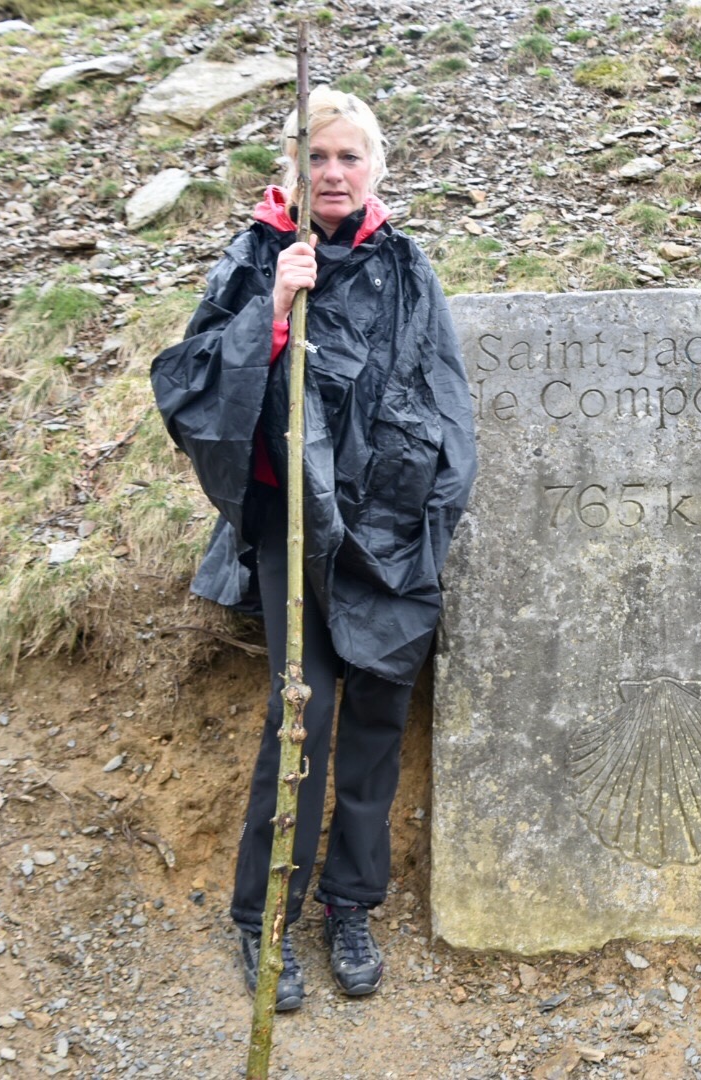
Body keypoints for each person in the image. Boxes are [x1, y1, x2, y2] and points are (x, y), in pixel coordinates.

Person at [150, 88, 477, 1010]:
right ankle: (264, 919)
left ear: (375, 168)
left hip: (388, 536)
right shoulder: (257, 257)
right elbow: (194, 391)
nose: (333, 174)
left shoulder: (407, 265)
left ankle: (351, 905)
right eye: (317, 158)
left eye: (349, 158)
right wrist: (276, 311)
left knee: (375, 721)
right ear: (291, 171)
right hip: (292, 529)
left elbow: (445, 403)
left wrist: (423, 519)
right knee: (305, 717)